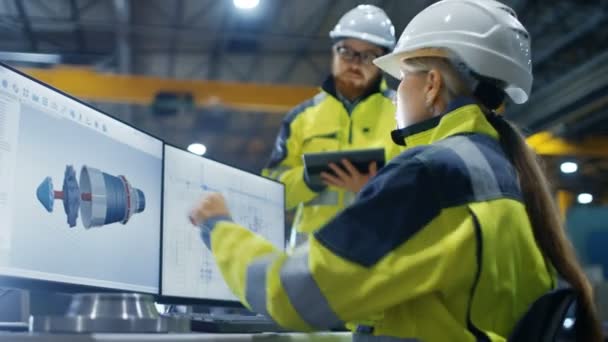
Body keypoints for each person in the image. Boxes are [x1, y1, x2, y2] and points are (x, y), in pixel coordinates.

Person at [190, 0, 603, 340]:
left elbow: (293, 295)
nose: (395, 93)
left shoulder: (431, 174)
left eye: (402, 75)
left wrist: (219, 227)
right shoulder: (504, 170)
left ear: (431, 84)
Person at [262, 4, 401, 245]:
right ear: (333, 53)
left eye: (368, 55)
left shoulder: (403, 114)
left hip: (378, 254)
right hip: (308, 257)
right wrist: (307, 179)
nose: (355, 63)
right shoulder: (301, 117)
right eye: (346, 51)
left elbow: (423, 185)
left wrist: (375, 189)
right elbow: (270, 191)